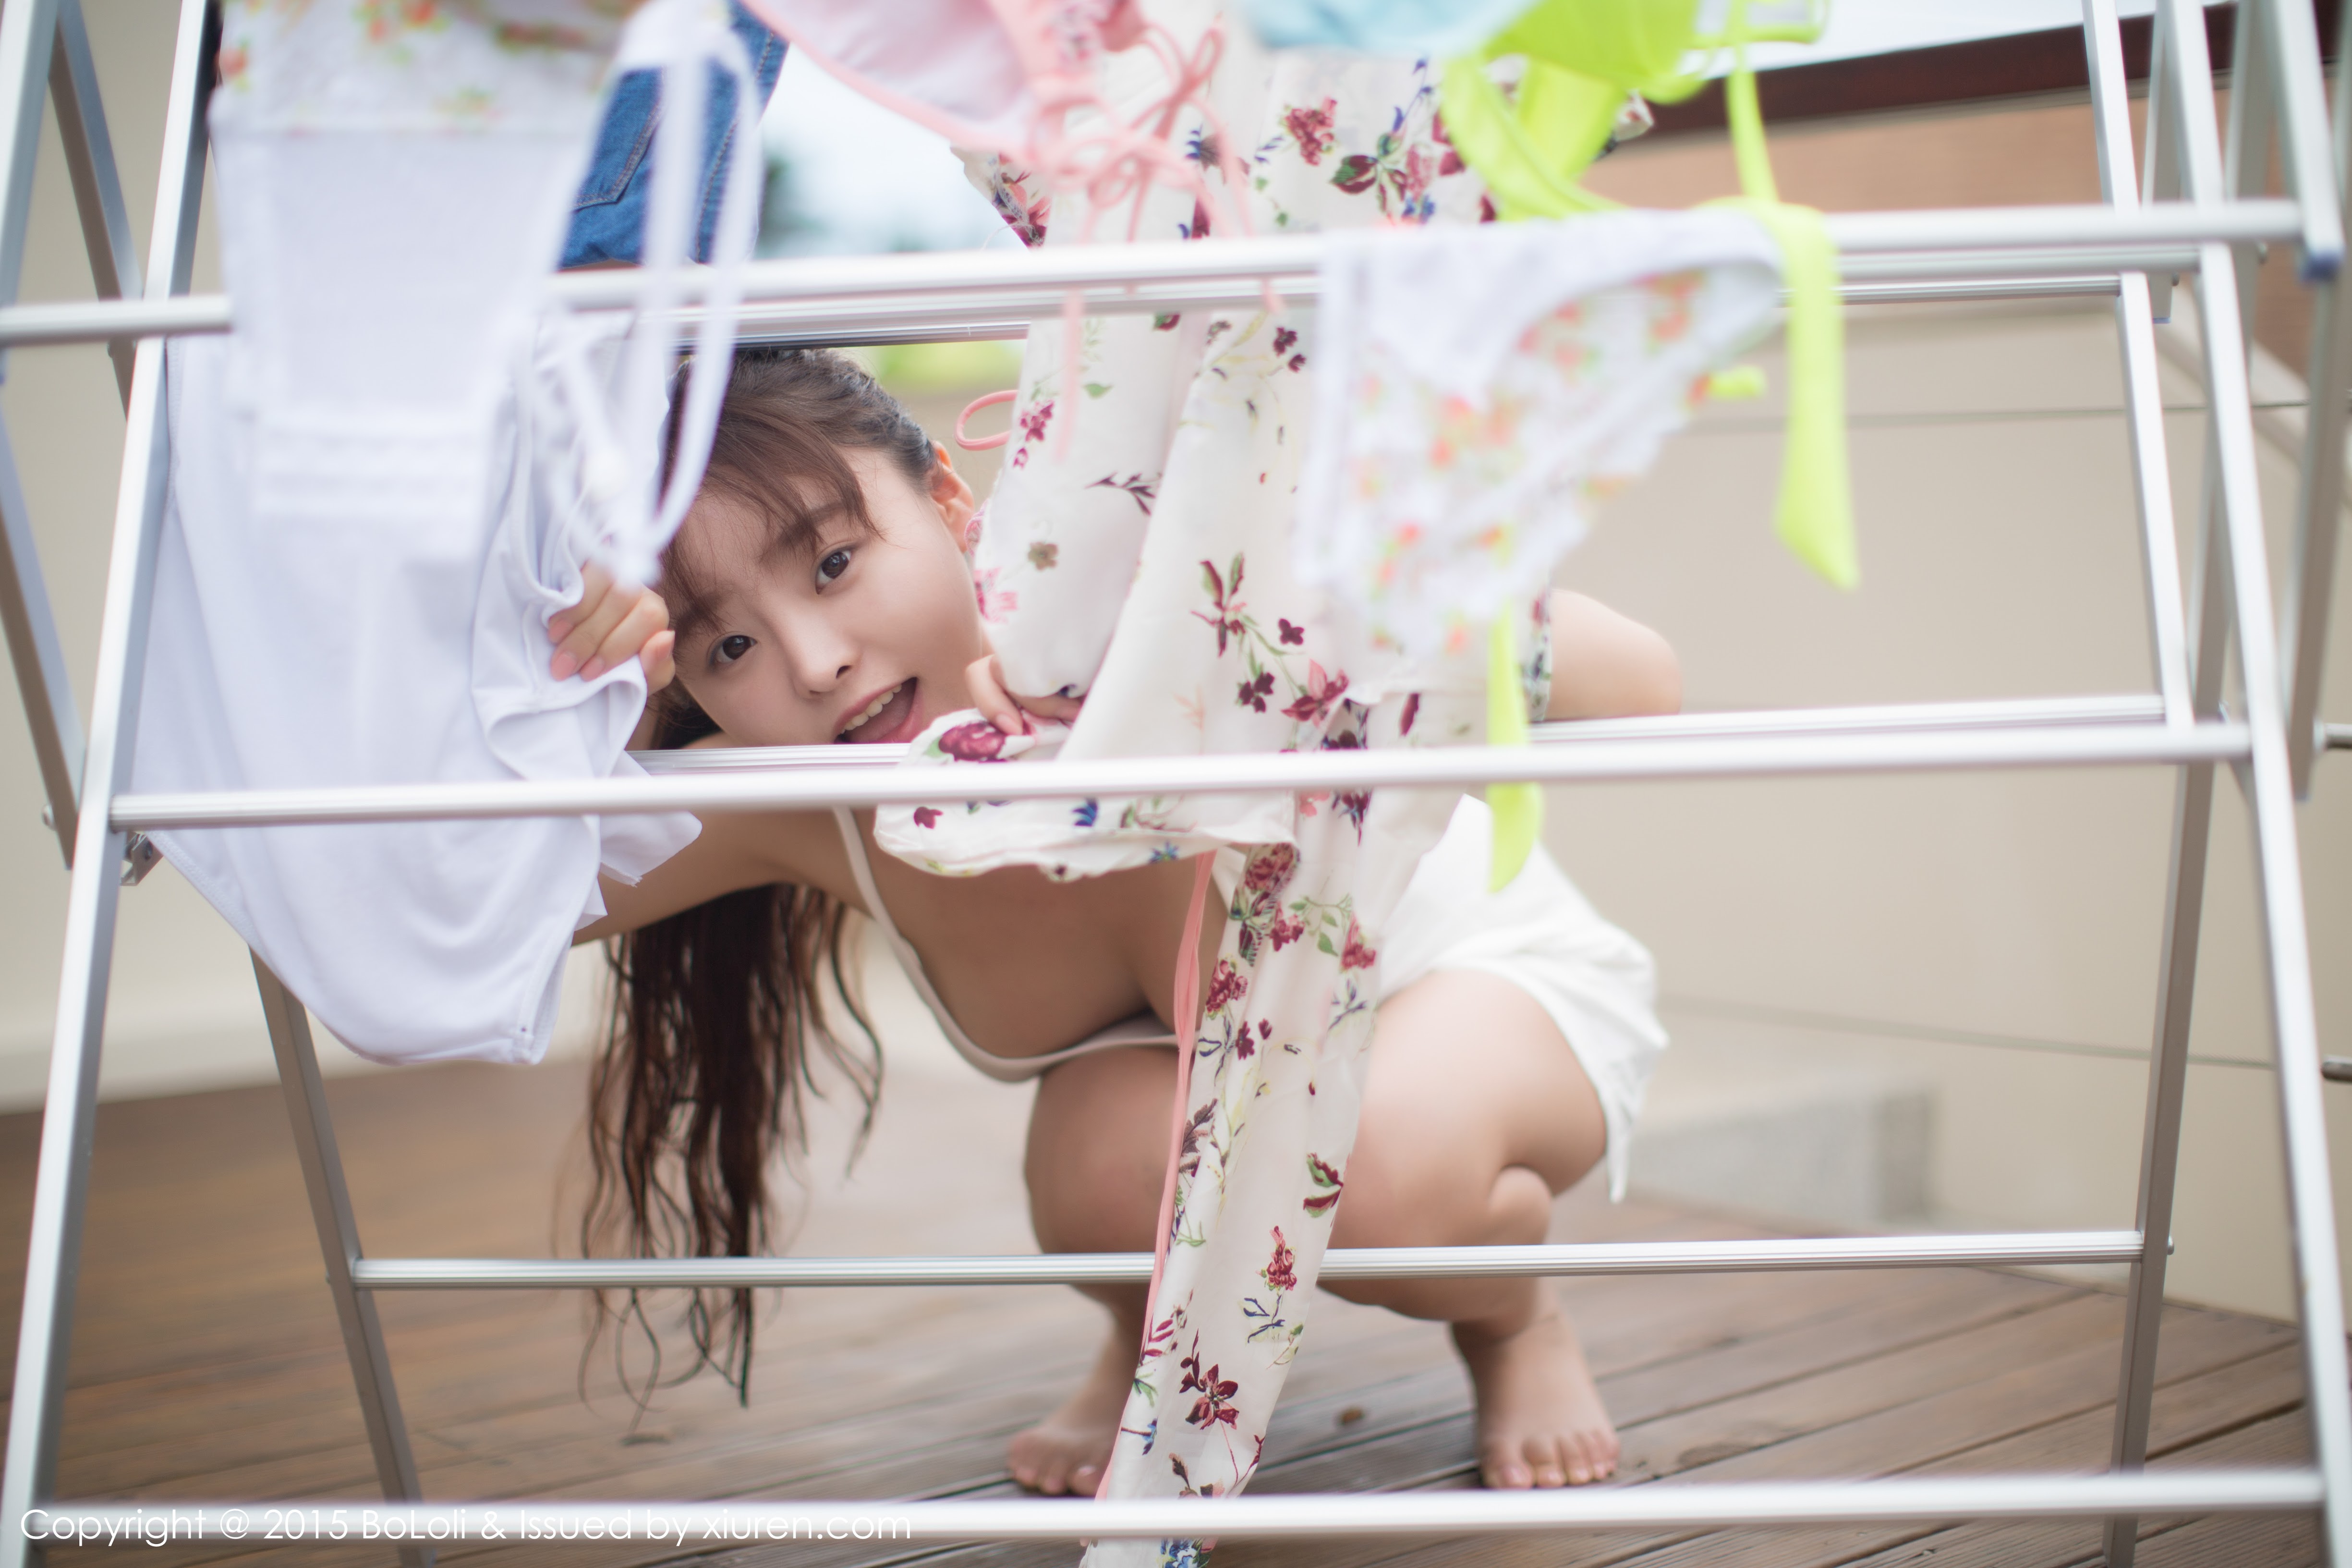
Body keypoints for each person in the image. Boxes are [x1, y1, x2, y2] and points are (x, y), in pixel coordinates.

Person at [551, 345, 1680, 1496]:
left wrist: (1275, 630)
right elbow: (503, 902)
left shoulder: (1154, 619)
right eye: (728, 646)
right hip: (1213, 1086)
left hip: (1464, 980)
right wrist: (594, 705)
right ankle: (1150, 1346)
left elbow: (1643, 680)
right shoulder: (793, 802)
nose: (815, 660)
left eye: (835, 563)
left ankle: (1512, 1319)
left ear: (949, 500)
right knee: (1094, 1177)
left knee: (1375, 1181)